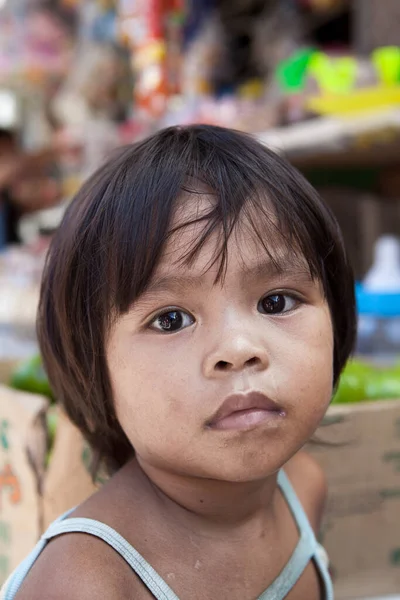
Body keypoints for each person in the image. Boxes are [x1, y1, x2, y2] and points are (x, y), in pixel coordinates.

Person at [2, 125, 355, 600]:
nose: (238, 348)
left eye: (276, 302)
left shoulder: (303, 489)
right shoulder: (86, 583)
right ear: (94, 369)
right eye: (171, 320)